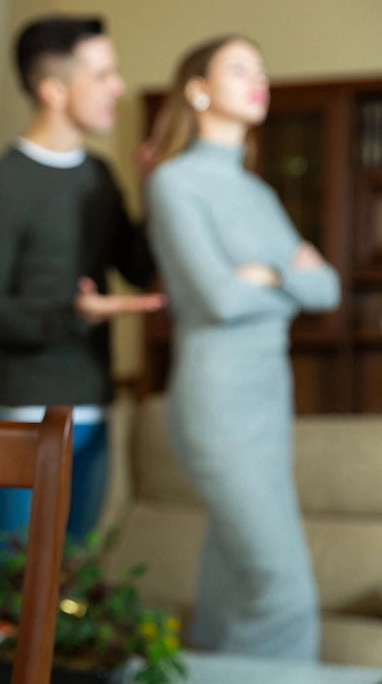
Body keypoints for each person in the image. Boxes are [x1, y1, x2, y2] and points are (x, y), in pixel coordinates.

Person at [146, 35, 340, 661]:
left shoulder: (258, 193)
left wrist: (270, 276)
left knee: (231, 579)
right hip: (217, 400)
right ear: (198, 90)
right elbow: (220, 300)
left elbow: (329, 287)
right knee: (283, 590)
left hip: (267, 397)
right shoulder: (174, 183)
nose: (260, 80)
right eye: (240, 69)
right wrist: (292, 278)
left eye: (262, 70)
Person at [0, 17, 164, 543]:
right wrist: (74, 316)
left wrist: (156, 193)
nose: (117, 88)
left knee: (74, 582)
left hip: (97, 405)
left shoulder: (99, 176)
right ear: (53, 89)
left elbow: (139, 268)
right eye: (102, 75)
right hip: (29, 410)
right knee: (13, 589)